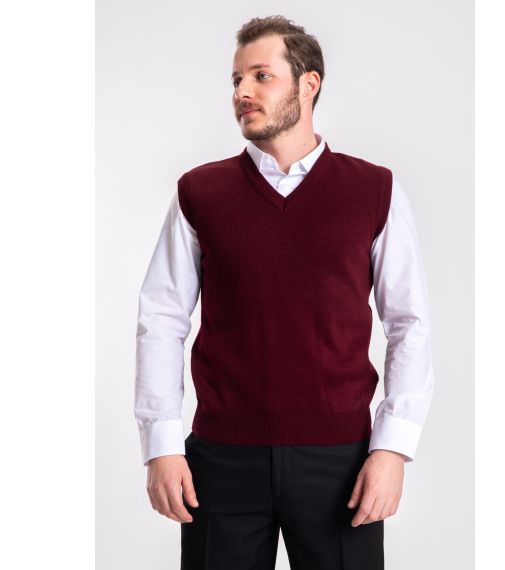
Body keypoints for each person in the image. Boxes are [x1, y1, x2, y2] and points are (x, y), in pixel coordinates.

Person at [134, 15, 434, 570]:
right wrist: (162, 444)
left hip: (341, 464)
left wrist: (393, 448)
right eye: (236, 80)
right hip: (220, 460)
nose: (242, 92)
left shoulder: (374, 190)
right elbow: (162, 317)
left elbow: (408, 323)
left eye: (261, 76)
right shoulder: (201, 192)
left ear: (308, 84)